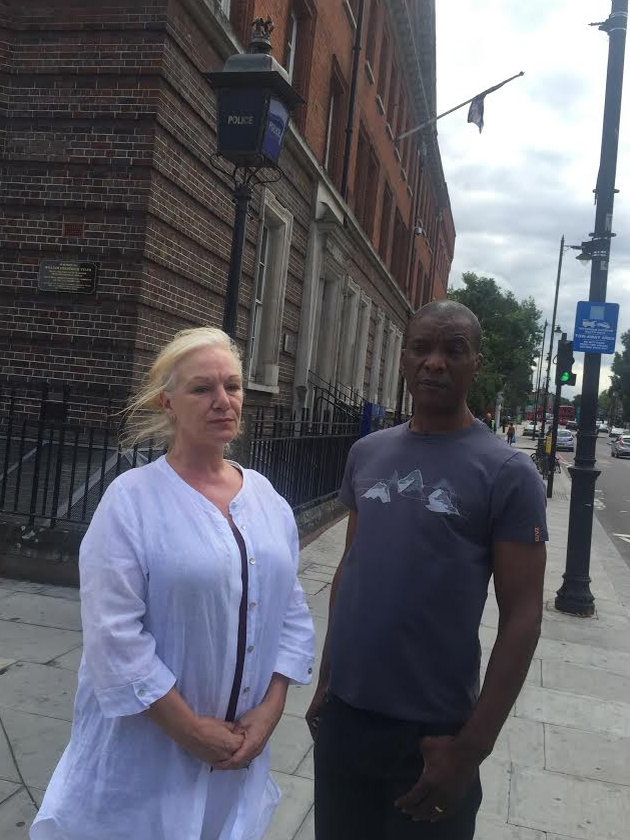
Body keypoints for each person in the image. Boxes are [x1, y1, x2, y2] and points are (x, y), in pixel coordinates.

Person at [31, 327, 315, 840]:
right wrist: (189, 729)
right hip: (148, 755)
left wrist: (271, 709)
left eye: (232, 386)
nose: (222, 401)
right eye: (202, 388)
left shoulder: (268, 500)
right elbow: (113, 634)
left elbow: (290, 610)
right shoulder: (132, 500)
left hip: (238, 754)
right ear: (168, 401)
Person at [307, 300, 547, 840]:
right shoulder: (368, 452)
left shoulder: (509, 472)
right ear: (405, 358)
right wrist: (327, 678)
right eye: (422, 348)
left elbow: (523, 617)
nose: (435, 362)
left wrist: (471, 748)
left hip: (434, 735)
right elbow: (352, 565)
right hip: (347, 719)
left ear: (475, 364)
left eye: (453, 350)